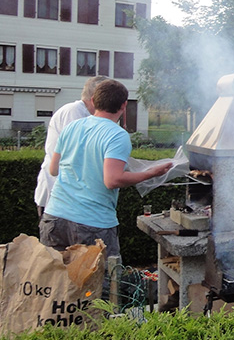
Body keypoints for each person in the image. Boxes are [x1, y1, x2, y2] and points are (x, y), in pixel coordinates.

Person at [39, 79, 172, 259]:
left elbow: (54, 169)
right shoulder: (117, 135)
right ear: (124, 105)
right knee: (99, 277)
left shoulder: (71, 127)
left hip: (54, 218)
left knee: (57, 276)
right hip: (92, 223)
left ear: (93, 100)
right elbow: (112, 180)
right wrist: (151, 173)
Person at [34, 75, 108, 216]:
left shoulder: (89, 116)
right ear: (95, 98)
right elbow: (78, 154)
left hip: (70, 197)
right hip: (57, 194)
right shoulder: (74, 112)